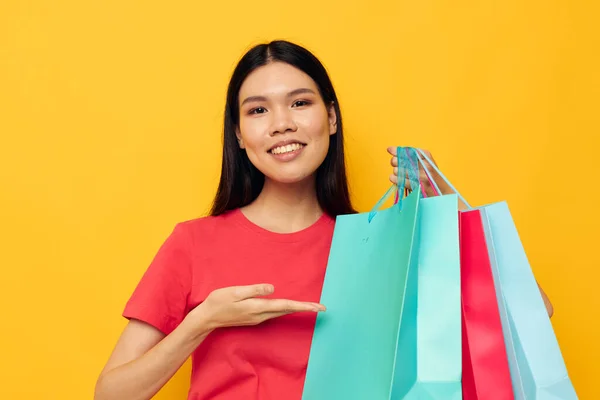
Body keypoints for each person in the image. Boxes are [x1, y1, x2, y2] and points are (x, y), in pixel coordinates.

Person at [94, 40, 553, 400]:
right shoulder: (194, 243)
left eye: (299, 103)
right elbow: (110, 394)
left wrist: (447, 210)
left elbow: (533, 318)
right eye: (258, 110)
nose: (281, 124)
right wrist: (203, 322)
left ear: (330, 118)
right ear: (238, 135)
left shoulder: (382, 245)